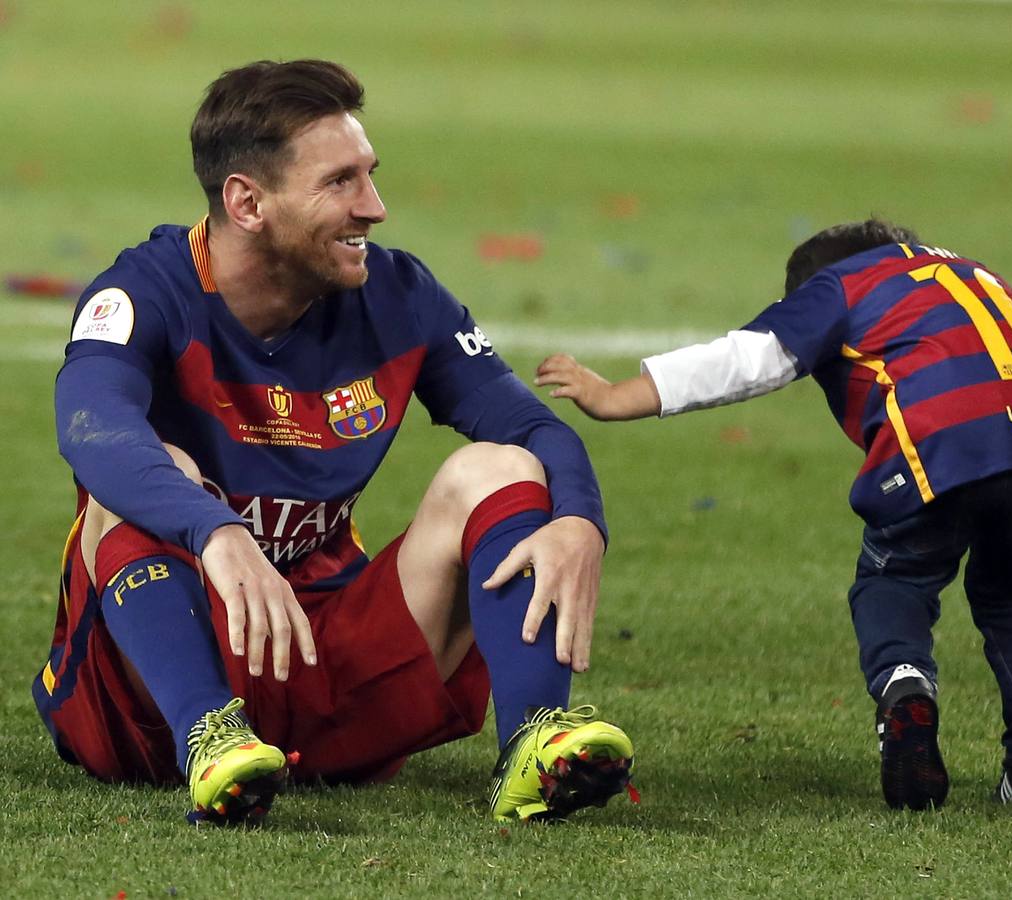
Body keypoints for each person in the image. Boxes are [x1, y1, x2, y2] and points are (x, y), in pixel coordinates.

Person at [33, 59, 636, 826]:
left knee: (501, 467)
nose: (375, 208)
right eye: (341, 182)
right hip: (146, 699)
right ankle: (208, 734)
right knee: (144, 482)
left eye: (370, 176)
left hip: (320, 662)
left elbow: (532, 426)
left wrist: (580, 518)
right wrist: (212, 529)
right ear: (247, 203)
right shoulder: (145, 293)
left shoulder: (399, 295)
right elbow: (92, 427)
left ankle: (534, 745)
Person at [536, 219, 1012, 811]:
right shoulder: (976, 277)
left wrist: (620, 395)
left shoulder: (838, 287)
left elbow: (751, 357)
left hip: (941, 438)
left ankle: (906, 687)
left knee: (894, 577)